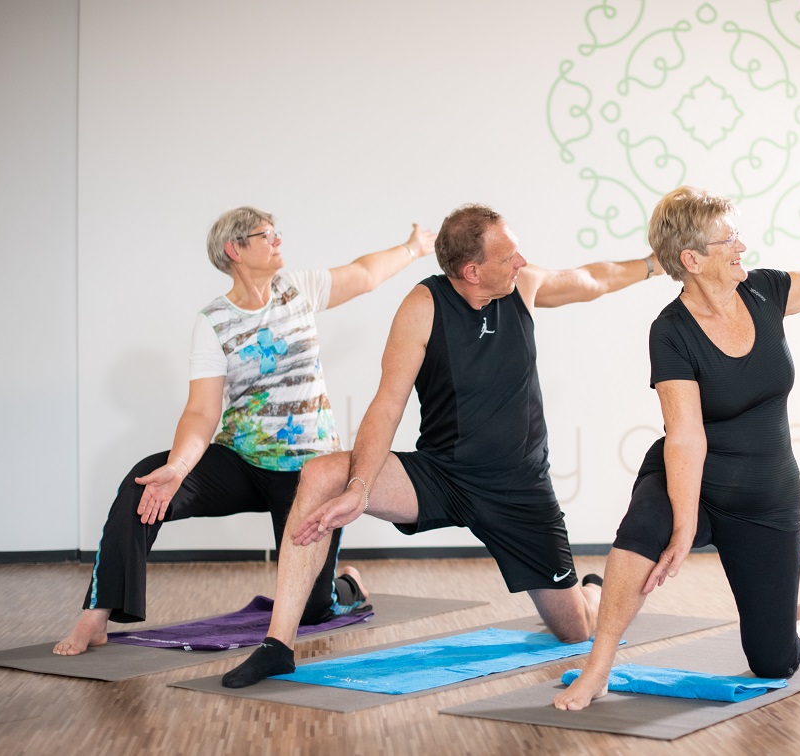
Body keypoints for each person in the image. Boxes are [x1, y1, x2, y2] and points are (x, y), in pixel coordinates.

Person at [220, 202, 666, 687]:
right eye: (509, 256)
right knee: (321, 474)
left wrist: (650, 265)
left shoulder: (526, 286)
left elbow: (591, 278)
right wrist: (358, 486)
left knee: (575, 629)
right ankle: (278, 644)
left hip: (519, 490)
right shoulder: (423, 306)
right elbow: (387, 404)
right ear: (472, 271)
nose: (521, 262)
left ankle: (592, 589)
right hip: (443, 475)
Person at [553, 186, 800, 709]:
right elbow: (685, 435)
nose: (741, 246)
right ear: (692, 259)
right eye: (727, 238)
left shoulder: (764, 293)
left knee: (774, 661)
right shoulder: (671, 332)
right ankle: (598, 666)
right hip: (692, 481)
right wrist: (683, 526)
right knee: (644, 528)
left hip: (766, 500)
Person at [53, 206, 436, 655]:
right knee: (145, 482)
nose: (278, 242)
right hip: (241, 461)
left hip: (308, 472)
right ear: (235, 249)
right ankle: (97, 615)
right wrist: (177, 468)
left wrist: (413, 247)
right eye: (267, 235)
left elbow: (364, 274)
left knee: (313, 611)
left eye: (276, 233)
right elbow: (201, 412)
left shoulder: (298, 289)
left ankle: (344, 585)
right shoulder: (213, 322)